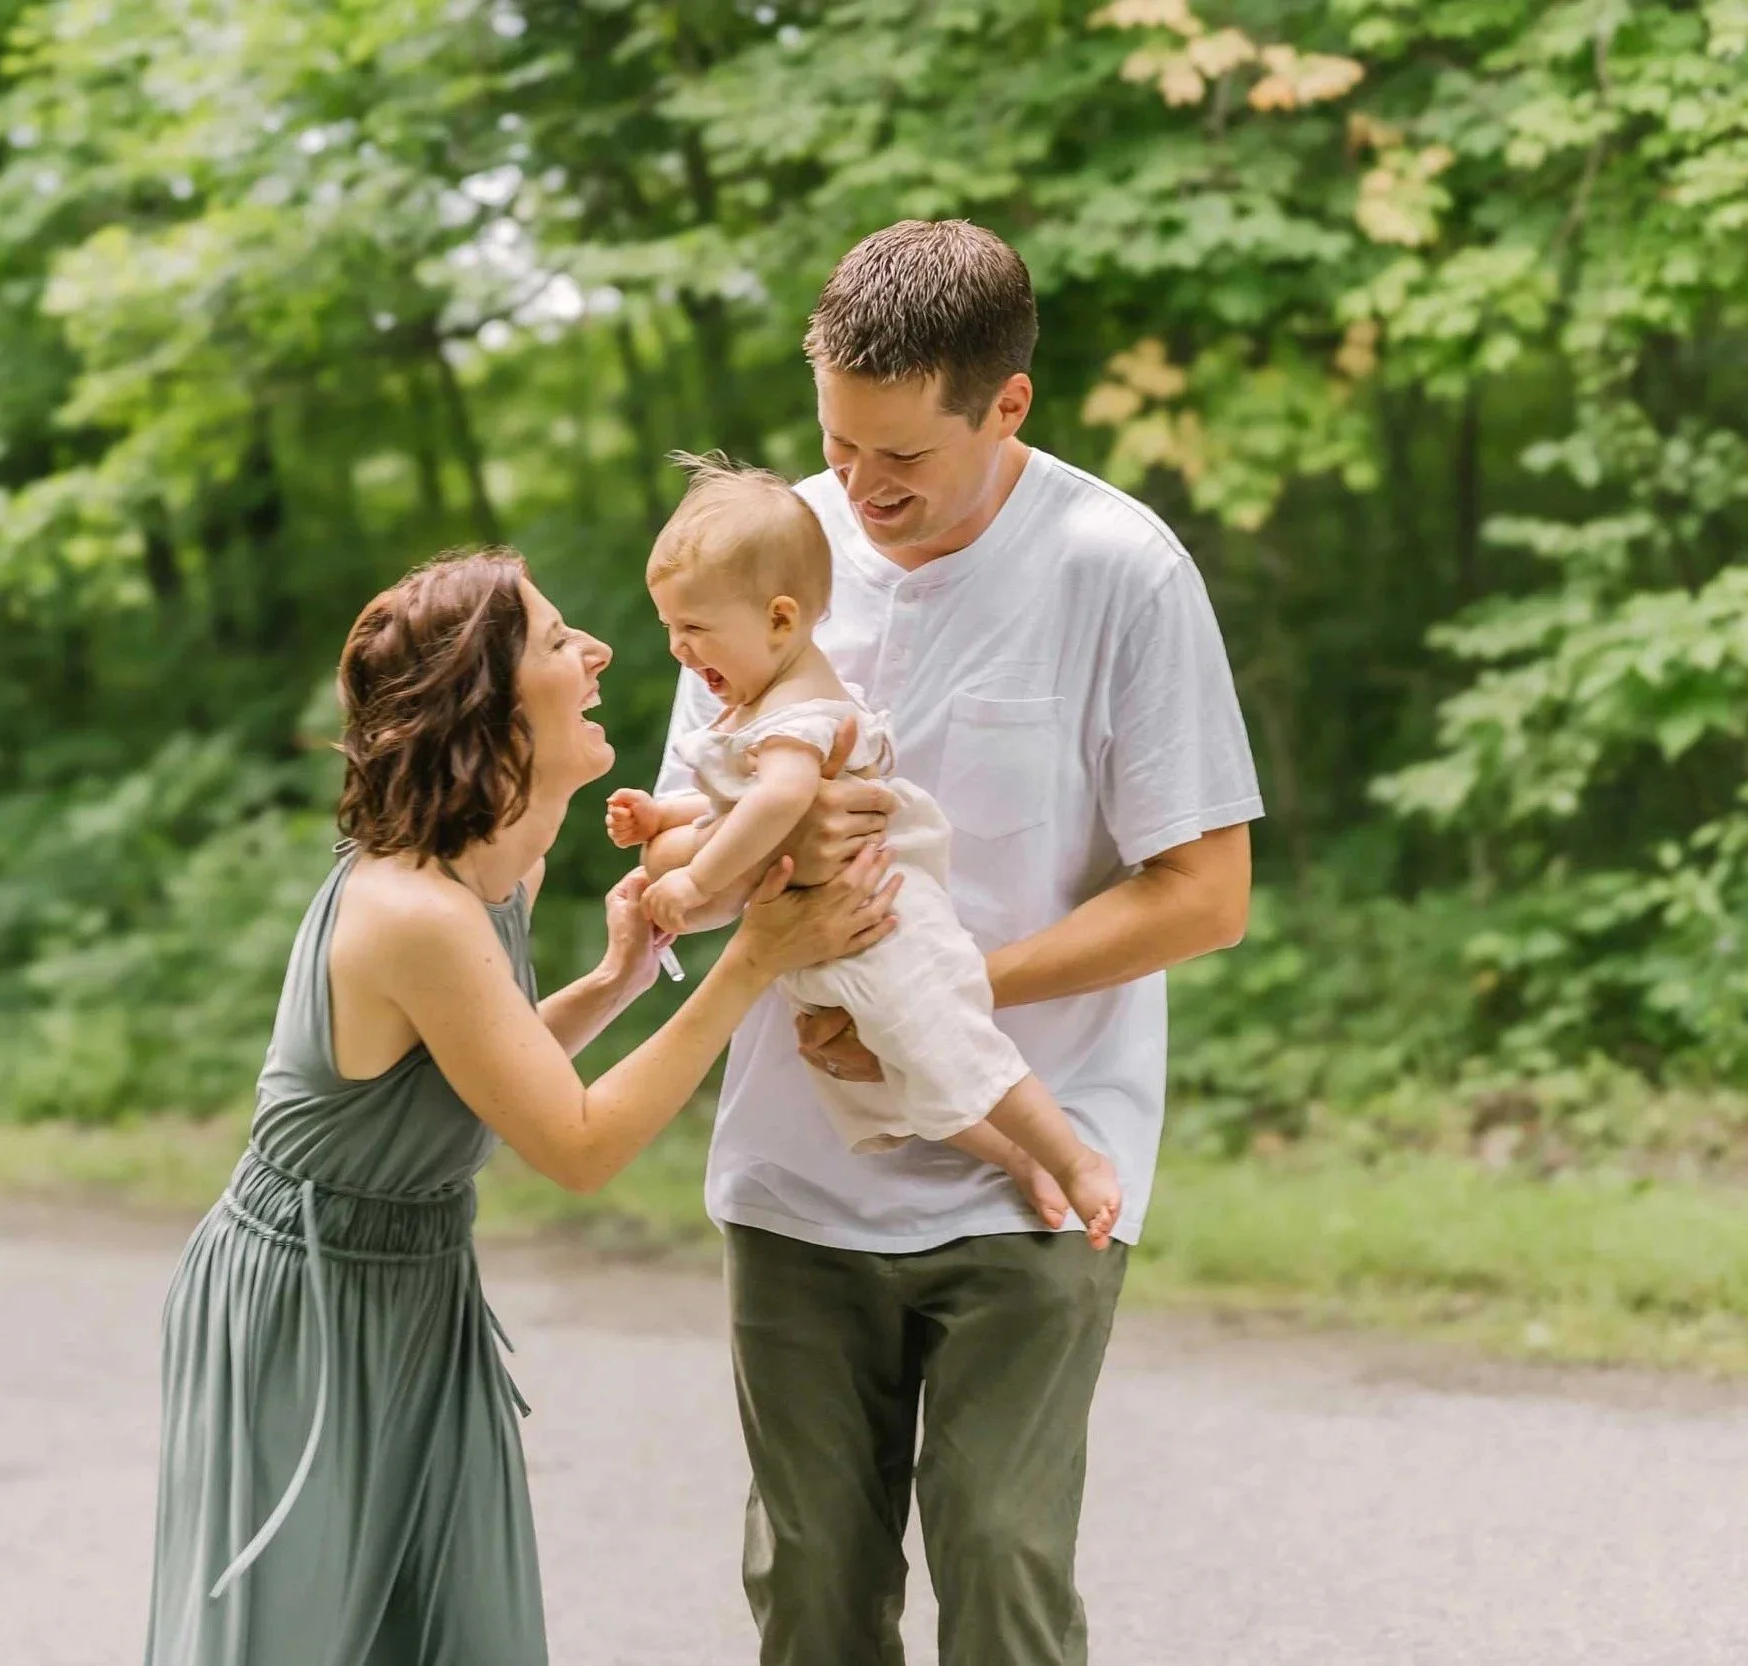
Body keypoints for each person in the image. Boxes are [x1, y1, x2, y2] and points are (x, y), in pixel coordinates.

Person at [650, 221, 1260, 1665]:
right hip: (798, 1175)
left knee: (999, 1559)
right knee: (811, 1591)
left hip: (1033, 1175)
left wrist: (944, 995)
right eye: (839, 447)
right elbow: (697, 830)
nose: (859, 492)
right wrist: (706, 865)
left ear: (1009, 406)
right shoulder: (771, 549)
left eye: (901, 462)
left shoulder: (1122, 570)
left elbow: (1206, 892)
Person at [141, 550, 900, 1666]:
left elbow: (472, 1080)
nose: (596, 653)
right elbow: (578, 1144)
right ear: (486, 708)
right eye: (556, 641)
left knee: (451, 1630)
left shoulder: (496, 877)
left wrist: (613, 983)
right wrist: (747, 964)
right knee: (303, 1635)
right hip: (303, 1298)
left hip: (417, 1278)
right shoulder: (414, 911)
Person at [605, 454, 1121, 1245]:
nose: (678, 649)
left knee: (944, 1042)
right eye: (670, 628)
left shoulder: (802, 709)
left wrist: (700, 873)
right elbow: (732, 800)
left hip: (882, 920)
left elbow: (776, 800)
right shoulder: (748, 706)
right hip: (825, 941)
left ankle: (1071, 1156)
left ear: (781, 619)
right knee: (893, 1086)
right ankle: (1014, 1157)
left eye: (695, 629)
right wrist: (660, 813)